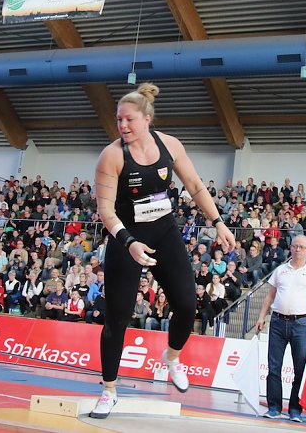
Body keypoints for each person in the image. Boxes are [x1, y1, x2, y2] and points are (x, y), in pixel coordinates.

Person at [90, 83, 234, 419]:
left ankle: (172, 356)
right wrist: (128, 242)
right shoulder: (112, 156)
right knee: (118, 318)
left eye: (129, 120)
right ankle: (108, 390)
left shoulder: (170, 145)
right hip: (126, 239)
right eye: (118, 120)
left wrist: (219, 223)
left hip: (165, 232)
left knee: (187, 305)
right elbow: (105, 212)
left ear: (147, 118)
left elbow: (196, 186)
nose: (122, 126)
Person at [255, 235, 306, 422]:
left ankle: (295, 410)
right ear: (290, 248)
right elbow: (270, 296)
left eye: (302, 247)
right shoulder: (280, 270)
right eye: (295, 246)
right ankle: (274, 408)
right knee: (274, 367)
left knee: (299, 369)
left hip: (301, 324)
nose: (298, 250)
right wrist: (261, 317)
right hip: (277, 322)